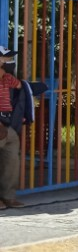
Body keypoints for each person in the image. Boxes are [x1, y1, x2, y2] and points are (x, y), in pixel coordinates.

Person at [0, 47, 26, 208]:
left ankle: (8, 196)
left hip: (7, 124)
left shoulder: (7, 78)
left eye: (10, 59)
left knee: (11, 161)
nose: (8, 61)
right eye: (5, 58)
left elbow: (18, 86)